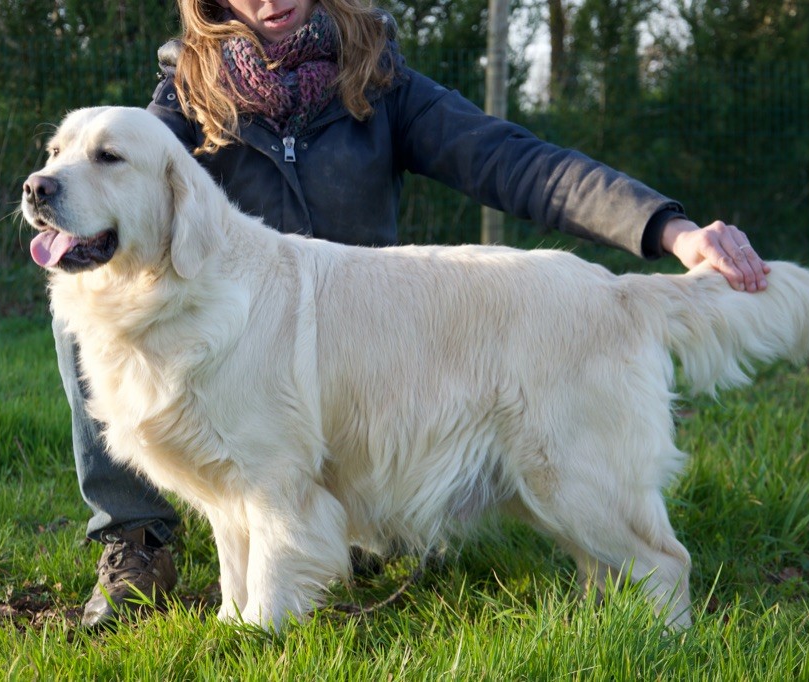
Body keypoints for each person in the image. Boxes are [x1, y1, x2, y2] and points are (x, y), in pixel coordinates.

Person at [53, 0, 771, 629]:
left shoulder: (377, 77)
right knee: (82, 314)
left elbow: (514, 162)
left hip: (386, 343)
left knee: (565, 477)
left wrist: (667, 228)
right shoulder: (181, 101)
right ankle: (135, 536)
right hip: (244, 352)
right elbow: (117, 183)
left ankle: (655, 607)